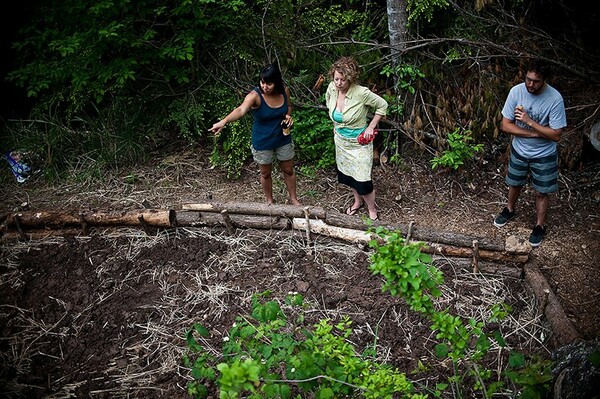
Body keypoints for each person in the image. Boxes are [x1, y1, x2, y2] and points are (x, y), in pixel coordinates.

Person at [494, 58, 567, 247]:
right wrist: (536, 133)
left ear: (544, 80)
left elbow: (556, 134)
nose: (530, 84)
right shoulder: (516, 92)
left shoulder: (554, 98)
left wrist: (529, 121)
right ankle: (510, 209)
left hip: (544, 154)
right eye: (528, 79)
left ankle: (539, 226)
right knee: (514, 182)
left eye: (535, 81)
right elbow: (505, 125)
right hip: (520, 150)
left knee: (542, 192)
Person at [209, 64, 301, 206]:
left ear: (276, 82)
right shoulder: (254, 96)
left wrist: (288, 116)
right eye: (262, 82)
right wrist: (224, 121)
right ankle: (269, 201)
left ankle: (293, 199)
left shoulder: (284, 91)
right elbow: (240, 110)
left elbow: (289, 106)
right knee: (265, 173)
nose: (265, 86)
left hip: (283, 137)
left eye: (269, 84)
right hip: (262, 140)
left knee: (288, 170)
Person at [325, 56, 388, 221]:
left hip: (359, 143)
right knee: (349, 175)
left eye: (343, 80)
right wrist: (335, 127)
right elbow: (330, 106)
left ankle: (372, 209)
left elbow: (383, 105)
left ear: (350, 79)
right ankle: (357, 202)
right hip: (341, 141)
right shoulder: (332, 88)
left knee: (363, 179)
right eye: (336, 79)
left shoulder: (362, 93)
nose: (339, 83)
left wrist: (371, 126)